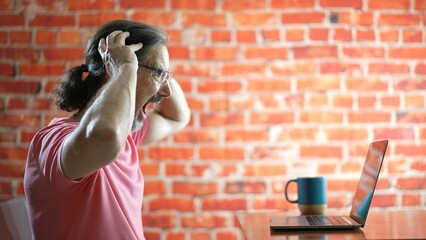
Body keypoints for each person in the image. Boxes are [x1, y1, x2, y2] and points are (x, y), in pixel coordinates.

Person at [23, 20, 190, 240]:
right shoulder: (53, 139)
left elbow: (177, 116)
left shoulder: (126, 135)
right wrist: (125, 67)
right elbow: (104, 137)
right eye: (158, 75)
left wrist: (161, 69)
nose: (166, 92)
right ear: (113, 70)